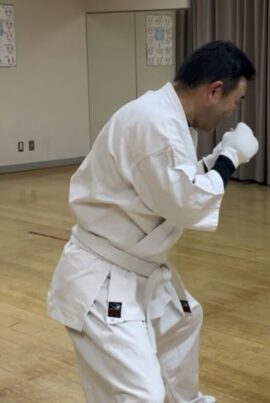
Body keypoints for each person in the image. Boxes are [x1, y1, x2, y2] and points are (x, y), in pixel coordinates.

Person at [47, 40, 258, 403]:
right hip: (103, 279)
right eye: (235, 101)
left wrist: (217, 159)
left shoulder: (168, 118)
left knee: (183, 322)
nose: (231, 111)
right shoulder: (155, 124)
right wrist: (229, 158)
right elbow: (186, 203)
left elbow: (170, 182)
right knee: (140, 394)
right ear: (214, 91)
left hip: (137, 268)